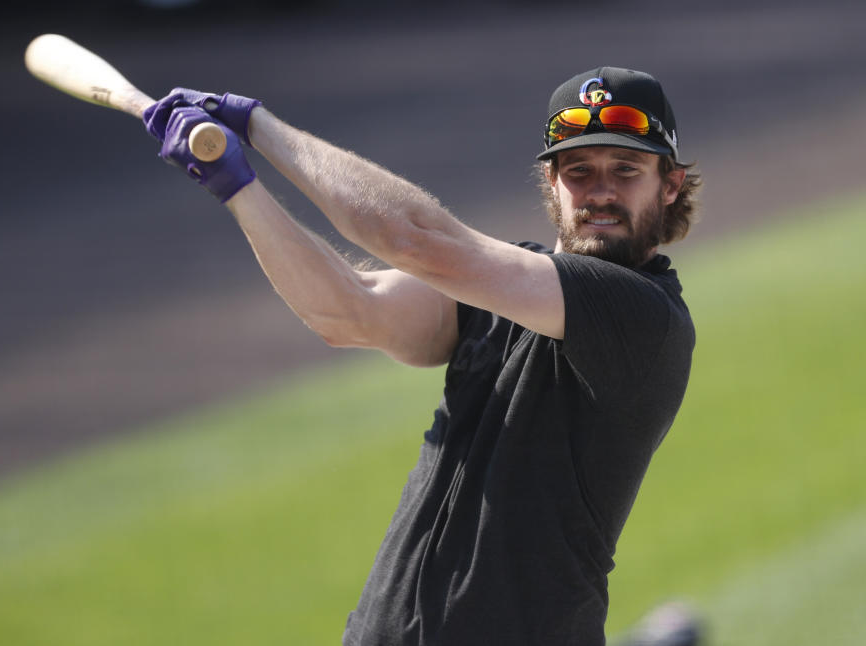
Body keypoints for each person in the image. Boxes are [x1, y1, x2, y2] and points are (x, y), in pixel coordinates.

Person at [143, 66, 702, 646]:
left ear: (669, 185)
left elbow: (412, 238)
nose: (601, 191)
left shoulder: (642, 315)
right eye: (578, 171)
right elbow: (348, 311)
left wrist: (256, 125)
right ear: (552, 183)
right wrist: (238, 188)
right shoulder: (499, 291)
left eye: (626, 171)